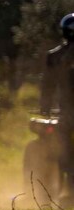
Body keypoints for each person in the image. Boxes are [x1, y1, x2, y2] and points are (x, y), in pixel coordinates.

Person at [39, 13, 74, 195]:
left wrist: (44, 106)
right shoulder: (56, 56)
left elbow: (48, 85)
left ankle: (64, 188)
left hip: (66, 112)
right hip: (67, 112)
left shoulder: (55, 56)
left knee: (64, 150)